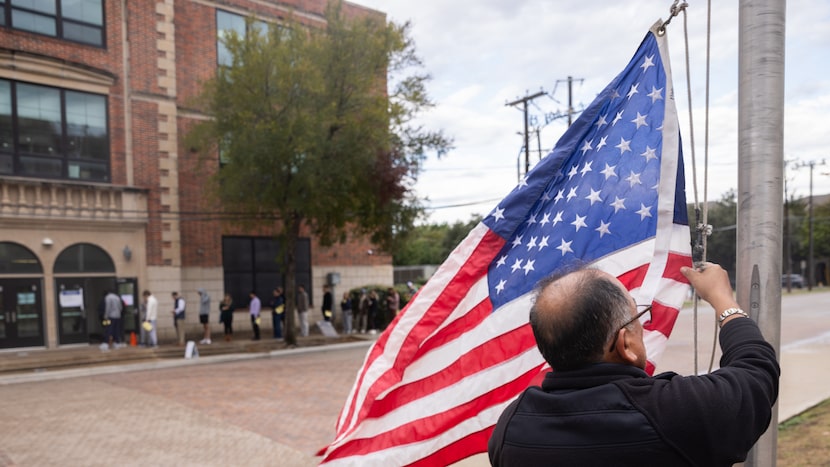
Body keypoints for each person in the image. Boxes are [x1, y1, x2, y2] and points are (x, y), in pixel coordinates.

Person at [488, 262, 780, 466]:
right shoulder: (673, 412)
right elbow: (756, 371)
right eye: (637, 316)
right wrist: (723, 301)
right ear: (624, 344)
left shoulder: (512, 428)